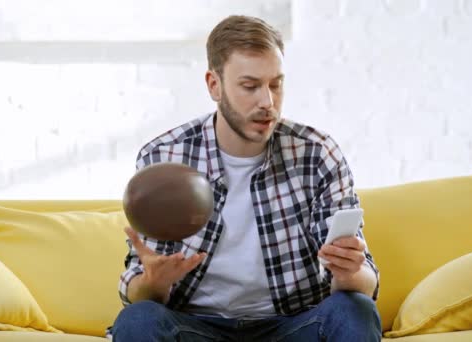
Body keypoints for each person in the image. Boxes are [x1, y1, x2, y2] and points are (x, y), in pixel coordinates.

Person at [111, 15, 381, 342]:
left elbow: (365, 285)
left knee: (355, 310)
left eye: (275, 84)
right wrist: (154, 282)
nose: (267, 102)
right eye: (250, 86)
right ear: (214, 85)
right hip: (195, 327)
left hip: (292, 326)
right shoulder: (165, 158)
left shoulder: (317, 154)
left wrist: (350, 272)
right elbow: (138, 293)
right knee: (138, 319)